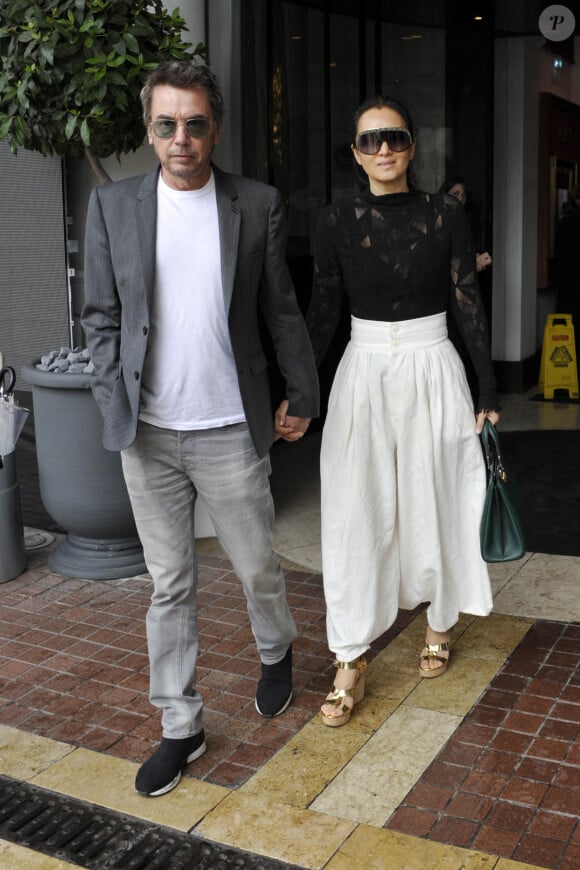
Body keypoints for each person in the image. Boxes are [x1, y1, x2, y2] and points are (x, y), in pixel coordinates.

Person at [82, 61, 319, 795]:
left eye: (194, 124)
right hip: (147, 436)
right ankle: (179, 725)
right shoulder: (113, 206)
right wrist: (108, 397)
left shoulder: (256, 203)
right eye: (165, 124)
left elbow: (280, 308)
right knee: (170, 585)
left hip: (228, 426)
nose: (180, 139)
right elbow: (100, 316)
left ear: (214, 128)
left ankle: (275, 648)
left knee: (255, 567)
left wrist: (301, 391)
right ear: (148, 129)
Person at [306, 96, 500, 728]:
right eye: (370, 141)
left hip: (434, 365)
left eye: (394, 138)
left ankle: (440, 623)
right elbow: (324, 310)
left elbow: (467, 299)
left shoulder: (445, 212)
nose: (383, 150)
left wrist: (489, 390)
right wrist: (301, 395)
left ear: (413, 146)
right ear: (356, 152)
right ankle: (351, 656)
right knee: (352, 506)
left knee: (438, 496)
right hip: (362, 372)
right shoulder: (335, 219)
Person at [440, 177, 492, 273]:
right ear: (443, 195)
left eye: (463, 195)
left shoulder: (464, 224)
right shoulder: (436, 222)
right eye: (455, 194)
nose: (460, 198)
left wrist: (475, 259)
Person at [554, 184, 580, 326]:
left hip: (568, 275)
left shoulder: (567, 219)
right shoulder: (573, 219)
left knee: (567, 313)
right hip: (574, 273)